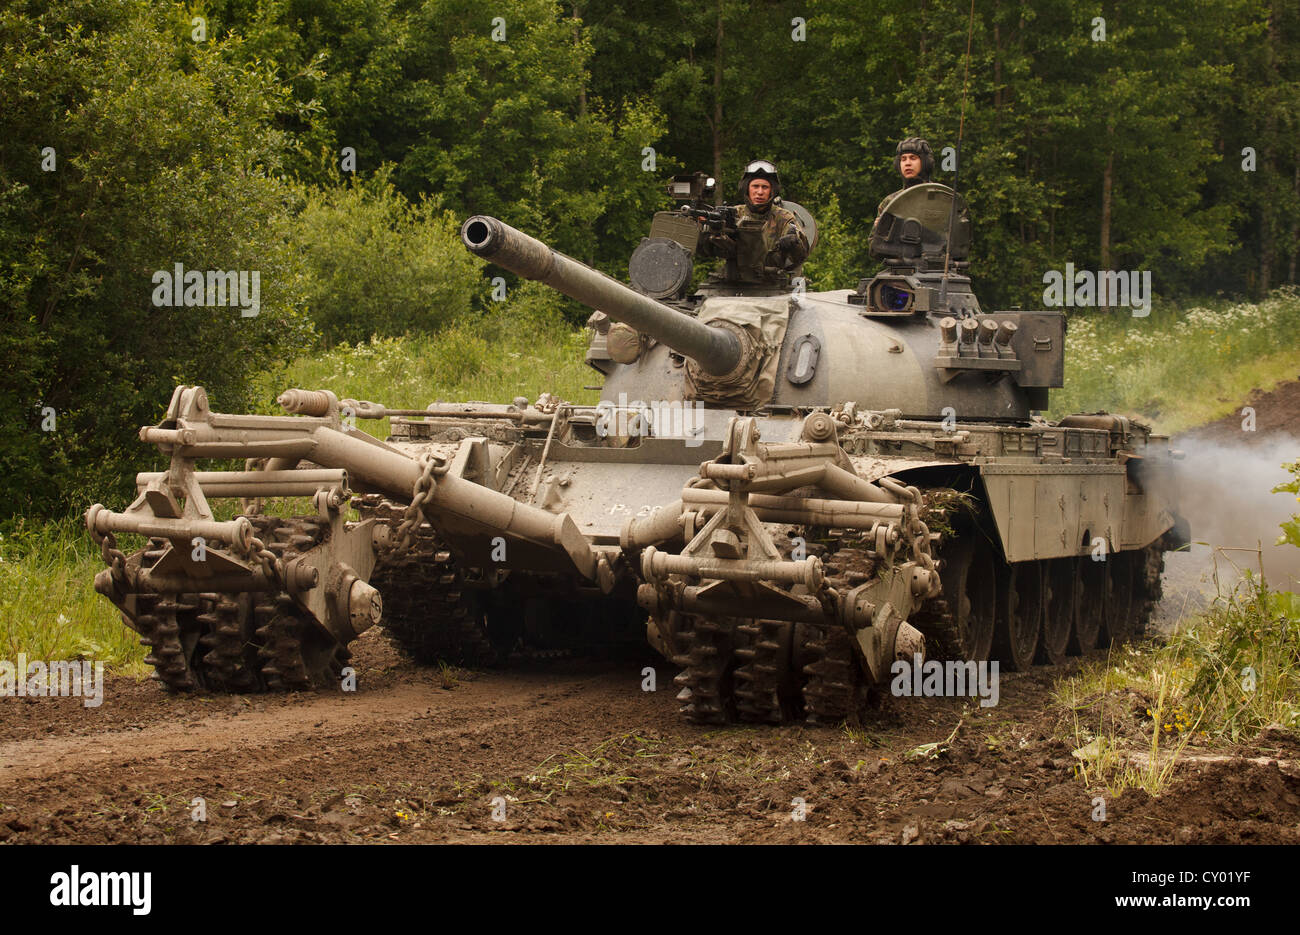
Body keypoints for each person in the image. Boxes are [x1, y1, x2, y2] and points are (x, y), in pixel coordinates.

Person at [695, 160, 809, 289]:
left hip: (772, 287)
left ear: (772, 191)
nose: (759, 192)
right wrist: (705, 238)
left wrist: (793, 243)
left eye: (765, 187)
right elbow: (707, 252)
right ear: (747, 189)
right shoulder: (733, 214)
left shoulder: (783, 217)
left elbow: (801, 254)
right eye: (755, 186)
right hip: (731, 287)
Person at [875, 137, 935, 225]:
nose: (907, 163)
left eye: (913, 158)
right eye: (903, 159)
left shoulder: (942, 198)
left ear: (926, 163)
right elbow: (874, 238)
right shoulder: (890, 202)